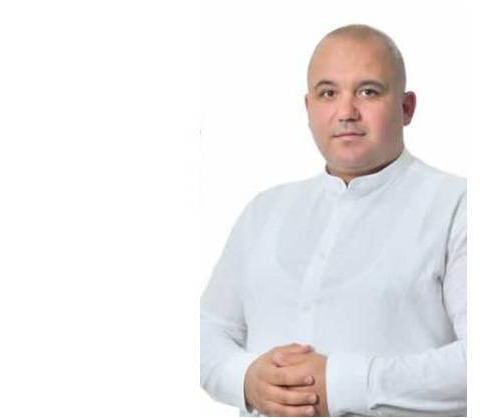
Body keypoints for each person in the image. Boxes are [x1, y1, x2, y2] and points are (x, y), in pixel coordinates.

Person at [200, 24, 467, 417]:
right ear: (308, 108)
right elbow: (207, 331)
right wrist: (245, 379)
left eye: (368, 91)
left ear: (406, 107)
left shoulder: (457, 206)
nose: (346, 113)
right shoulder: (264, 211)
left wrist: (344, 384)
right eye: (328, 93)